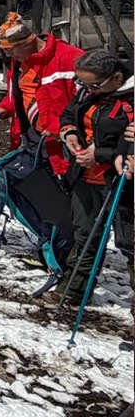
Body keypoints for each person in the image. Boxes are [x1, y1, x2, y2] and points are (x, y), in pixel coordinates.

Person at [58, 49, 134, 304]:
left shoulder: (130, 101)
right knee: (85, 233)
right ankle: (74, 292)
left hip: (121, 181)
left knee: (128, 242)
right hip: (85, 174)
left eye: (94, 84)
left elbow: (128, 146)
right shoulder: (87, 93)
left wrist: (99, 154)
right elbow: (69, 114)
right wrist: (69, 133)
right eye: (82, 83)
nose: (87, 89)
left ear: (116, 78)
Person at [0, 12, 82, 177]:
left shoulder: (70, 58)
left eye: (10, 51)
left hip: (63, 142)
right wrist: (4, 108)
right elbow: (19, 94)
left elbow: (87, 103)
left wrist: (62, 127)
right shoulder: (19, 62)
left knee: (63, 195)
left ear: (27, 43)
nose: (8, 56)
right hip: (30, 139)